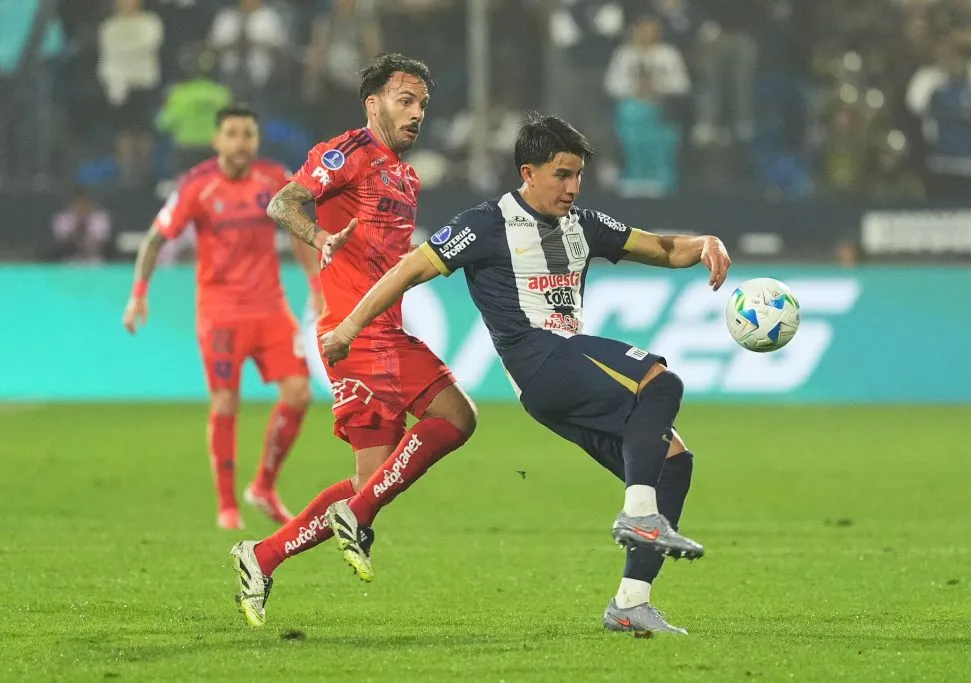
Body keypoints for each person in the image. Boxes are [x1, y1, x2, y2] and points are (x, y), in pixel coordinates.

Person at [318, 114, 732, 636]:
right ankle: (638, 516)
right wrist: (350, 327)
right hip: (539, 359)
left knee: (673, 463)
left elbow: (661, 248)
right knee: (661, 381)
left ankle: (631, 603)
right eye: (562, 175)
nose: (573, 187)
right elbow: (409, 270)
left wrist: (705, 244)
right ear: (527, 172)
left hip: (565, 373)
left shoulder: (585, 225)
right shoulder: (486, 224)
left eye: (579, 175)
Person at [229, 53, 477, 628]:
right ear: (373, 103)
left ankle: (262, 555)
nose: (416, 114)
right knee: (447, 426)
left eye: (422, 105)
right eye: (404, 100)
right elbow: (282, 202)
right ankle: (343, 522)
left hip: (388, 334)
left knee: (386, 472)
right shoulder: (348, 153)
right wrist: (320, 236)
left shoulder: (407, 174)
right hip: (354, 335)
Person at [123, 104, 322, 530]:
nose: (240, 143)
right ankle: (227, 506)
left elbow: (300, 230)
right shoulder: (197, 186)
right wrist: (138, 294)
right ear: (217, 141)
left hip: (271, 308)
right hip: (220, 314)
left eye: (247, 134)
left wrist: (317, 286)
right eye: (231, 134)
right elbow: (156, 239)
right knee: (226, 401)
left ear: (256, 140)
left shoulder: (274, 179)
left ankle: (263, 487)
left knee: (299, 394)